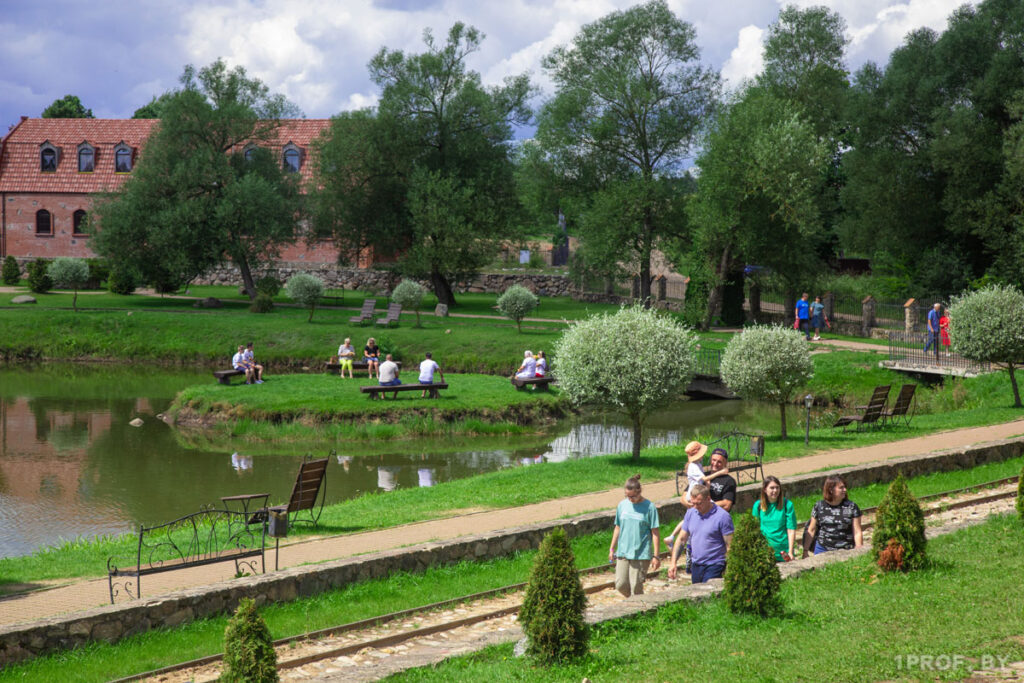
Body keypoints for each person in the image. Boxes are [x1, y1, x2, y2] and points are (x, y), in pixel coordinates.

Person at [665, 445, 735, 552]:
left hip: (714, 527)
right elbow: (684, 497)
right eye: (713, 460)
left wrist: (704, 506)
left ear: (725, 463)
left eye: (719, 462)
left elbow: (727, 504)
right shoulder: (701, 475)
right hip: (696, 528)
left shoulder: (729, 481)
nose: (715, 463)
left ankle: (672, 537)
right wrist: (693, 505)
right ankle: (673, 541)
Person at [667, 484, 733, 584]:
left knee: (708, 592)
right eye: (693, 503)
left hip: (715, 564)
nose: (695, 507)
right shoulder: (691, 513)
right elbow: (681, 539)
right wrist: (673, 563)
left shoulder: (722, 517)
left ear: (708, 499)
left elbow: (730, 545)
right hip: (696, 564)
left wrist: (731, 567)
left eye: (699, 503)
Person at [608, 474, 660, 597]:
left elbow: (655, 533)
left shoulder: (650, 507)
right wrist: (612, 548)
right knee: (620, 585)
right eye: (627, 496)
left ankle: (638, 606)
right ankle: (635, 603)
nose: (630, 499)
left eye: (633, 496)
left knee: (636, 586)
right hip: (623, 551)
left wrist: (656, 556)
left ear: (639, 492)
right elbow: (618, 527)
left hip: (641, 553)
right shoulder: (622, 505)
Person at [805, 474, 863, 555]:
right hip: (822, 549)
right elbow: (811, 530)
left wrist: (859, 549)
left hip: (846, 550)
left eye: (845, 487)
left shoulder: (852, 507)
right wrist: (805, 551)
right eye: (841, 488)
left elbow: (857, 531)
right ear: (831, 490)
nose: (845, 490)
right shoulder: (819, 506)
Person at [752, 476, 797, 561]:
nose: (775, 490)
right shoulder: (758, 506)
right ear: (765, 489)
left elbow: (791, 529)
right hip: (765, 551)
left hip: (783, 550)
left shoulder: (787, 505)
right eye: (772, 488)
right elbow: (754, 528)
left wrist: (790, 552)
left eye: (777, 487)